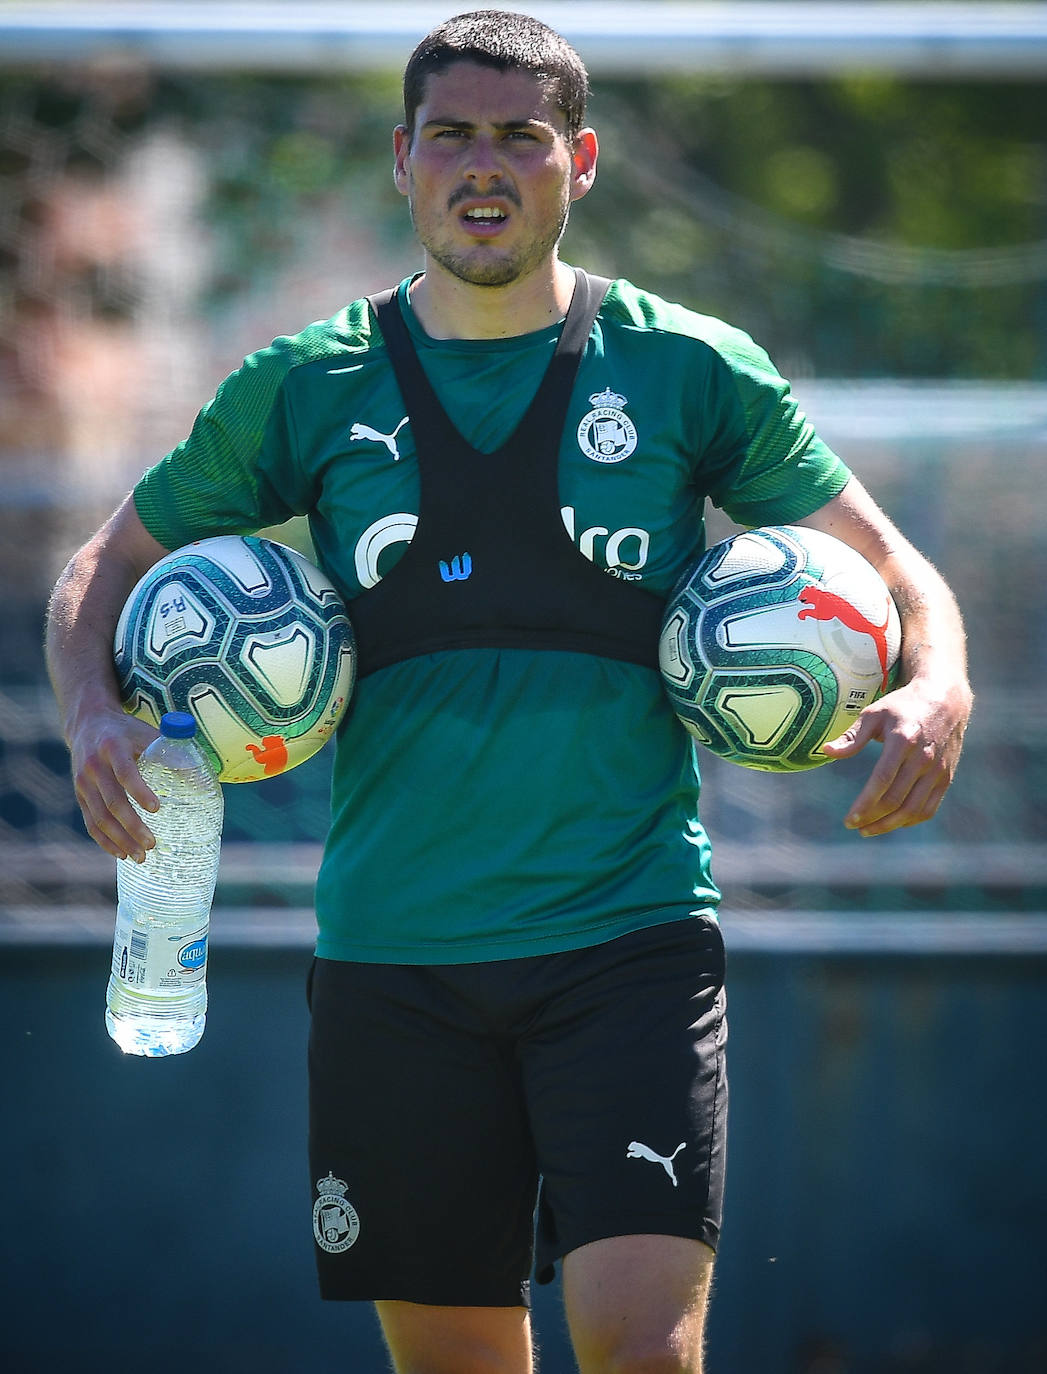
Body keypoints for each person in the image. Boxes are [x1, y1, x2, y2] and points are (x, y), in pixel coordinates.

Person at [45, 11, 973, 1373]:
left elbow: (899, 572)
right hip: (393, 960)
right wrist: (90, 713)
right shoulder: (305, 388)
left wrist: (939, 681)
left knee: (646, 1352)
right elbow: (104, 566)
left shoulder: (683, 366)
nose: (487, 165)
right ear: (403, 161)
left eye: (522, 136)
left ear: (580, 160)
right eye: (454, 136)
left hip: (630, 943)